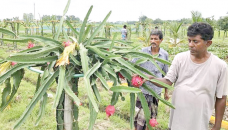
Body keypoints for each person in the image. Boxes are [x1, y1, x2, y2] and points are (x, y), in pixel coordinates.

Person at [145, 22, 228, 130]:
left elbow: (221, 98)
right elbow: (168, 81)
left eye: (195, 41)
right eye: (189, 40)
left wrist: (217, 125)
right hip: (177, 118)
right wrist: (149, 78)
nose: (190, 44)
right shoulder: (180, 58)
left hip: (199, 121)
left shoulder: (220, 66)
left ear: (208, 43)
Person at [132, 30, 169, 130]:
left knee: (151, 118)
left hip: (155, 92)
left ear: (161, 40)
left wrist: (166, 92)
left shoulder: (164, 55)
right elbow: (133, 64)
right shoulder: (143, 52)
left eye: (155, 39)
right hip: (142, 90)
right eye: (151, 38)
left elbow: (166, 75)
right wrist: (134, 73)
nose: (153, 41)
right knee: (137, 118)